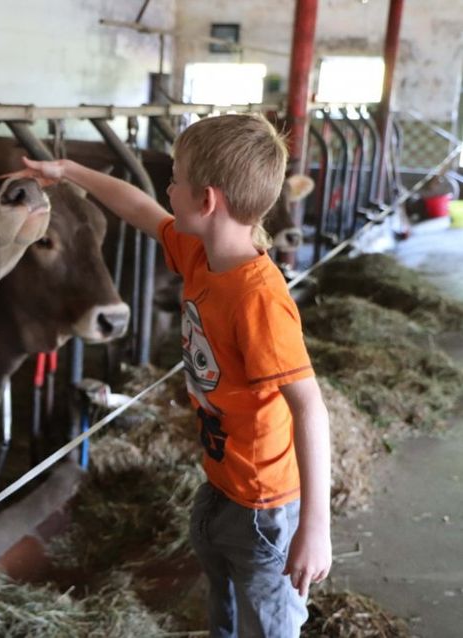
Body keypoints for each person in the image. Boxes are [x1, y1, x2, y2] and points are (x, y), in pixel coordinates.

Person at [18, 113, 331, 637]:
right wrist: (70, 170)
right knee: (225, 612)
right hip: (222, 482)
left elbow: (309, 406)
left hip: (266, 506)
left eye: (176, 181)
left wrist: (315, 529)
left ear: (206, 200)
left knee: (269, 626)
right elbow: (139, 207)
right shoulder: (205, 254)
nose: (168, 189)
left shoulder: (258, 299)